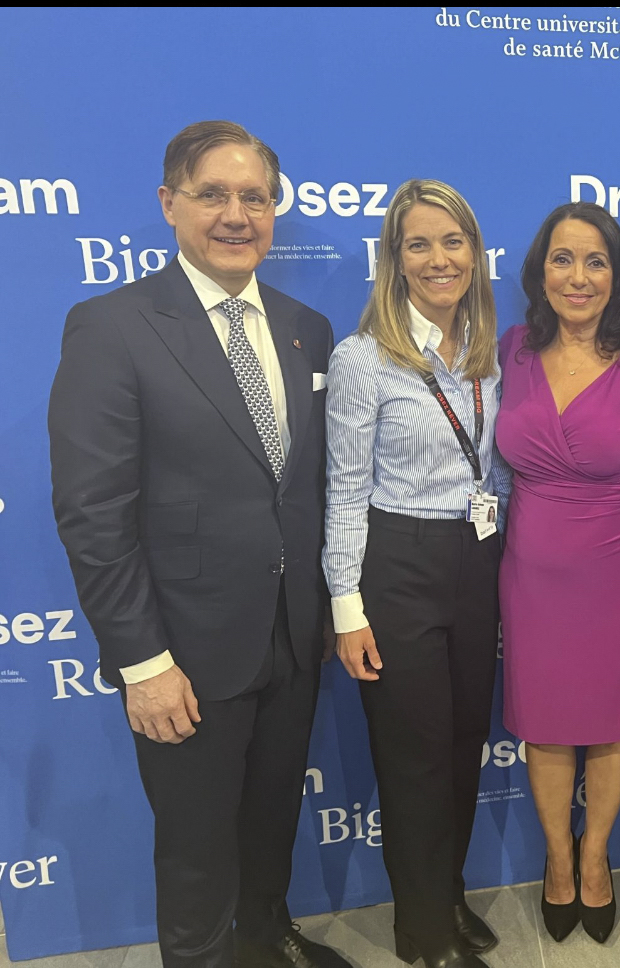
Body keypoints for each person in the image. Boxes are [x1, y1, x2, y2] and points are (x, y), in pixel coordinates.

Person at [47, 121, 349, 968]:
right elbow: (93, 511)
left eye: (254, 197)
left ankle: (267, 932)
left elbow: (307, 489)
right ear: (169, 203)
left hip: (291, 639)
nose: (235, 214)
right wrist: (143, 664)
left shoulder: (305, 328)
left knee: (271, 816)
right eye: (213, 194)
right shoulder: (112, 325)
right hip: (183, 656)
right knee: (193, 849)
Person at [323, 179, 508, 968]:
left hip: (480, 561)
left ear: (475, 252)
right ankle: (421, 931)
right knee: (416, 757)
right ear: (393, 261)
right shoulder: (362, 359)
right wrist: (346, 605)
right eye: (418, 244)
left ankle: (449, 897)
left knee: (465, 742)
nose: (439, 259)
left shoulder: (495, 352)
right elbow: (343, 490)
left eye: (452, 241)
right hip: (397, 565)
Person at [496, 201, 620, 944]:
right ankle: (556, 862)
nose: (578, 276)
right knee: (544, 731)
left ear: (617, 275)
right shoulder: (509, 349)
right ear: (540, 271)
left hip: (617, 581)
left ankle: (596, 860)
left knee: (607, 731)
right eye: (563, 259)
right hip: (530, 583)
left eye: (595, 261)